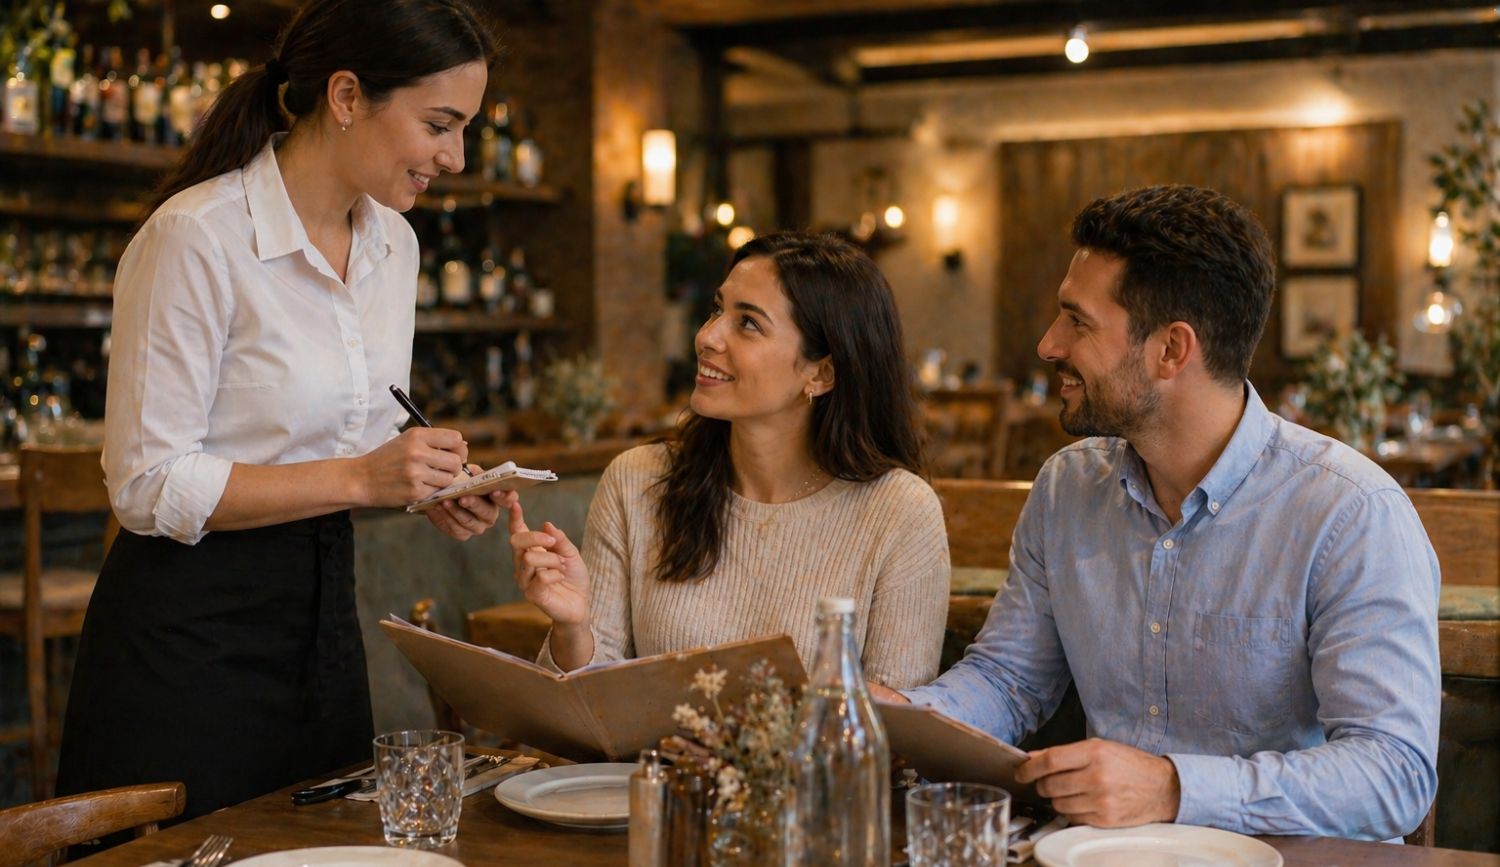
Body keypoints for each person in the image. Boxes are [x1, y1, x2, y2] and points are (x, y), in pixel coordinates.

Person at [877, 185, 1440, 841]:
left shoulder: (1350, 513)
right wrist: (904, 712)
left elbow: (1393, 775)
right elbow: (1007, 683)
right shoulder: (1066, 489)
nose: (1047, 344)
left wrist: (1173, 787)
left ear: (1172, 350)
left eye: (1077, 321)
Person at [57, 0, 504, 821]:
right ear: (344, 97)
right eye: (440, 124)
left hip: (325, 624)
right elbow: (149, 485)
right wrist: (364, 478)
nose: (457, 155)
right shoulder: (196, 237)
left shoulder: (393, 246)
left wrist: (428, 482)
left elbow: (359, 441)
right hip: (187, 637)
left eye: (466, 128)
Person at [502, 232, 949, 689]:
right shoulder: (637, 481)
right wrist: (573, 628)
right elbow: (588, 712)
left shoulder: (900, 513)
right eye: (718, 309)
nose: (707, 336)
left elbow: (894, 734)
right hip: (642, 764)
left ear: (821, 373)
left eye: (748, 324)